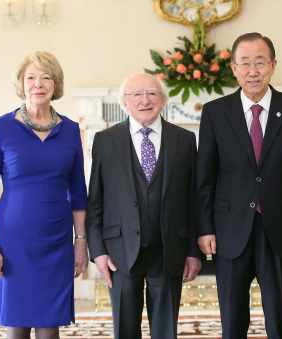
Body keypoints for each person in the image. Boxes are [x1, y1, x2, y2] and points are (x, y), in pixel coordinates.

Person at [197, 32, 282, 339]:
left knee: (279, 321)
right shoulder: (214, 112)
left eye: (260, 62)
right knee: (233, 323)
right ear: (234, 68)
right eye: (245, 63)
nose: (253, 71)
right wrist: (205, 228)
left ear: (273, 65)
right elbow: (205, 177)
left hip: (280, 229)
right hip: (230, 230)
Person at [0, 51, 88, 339]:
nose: (38, 83)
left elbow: (78, 192)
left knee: (50, 329)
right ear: (21, 84)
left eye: (46, 77)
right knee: (17, 326)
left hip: (55, 240)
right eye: (31, 77)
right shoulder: (1, 127)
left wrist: (80, 242)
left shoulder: (71, 130)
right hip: (12, 241)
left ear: (56, 84)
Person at [86, 73, 202, 339]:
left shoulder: (184, 140)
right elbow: (96, 201)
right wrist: (98, 251)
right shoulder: (105, 141)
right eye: (136, 95)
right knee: (125, 329)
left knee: (165, 329)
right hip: (119, 251)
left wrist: (193, 250)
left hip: (169, 248)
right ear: (124, 102)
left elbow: (193, 200)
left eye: (152, 93)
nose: (144, 100)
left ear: (163, 100)